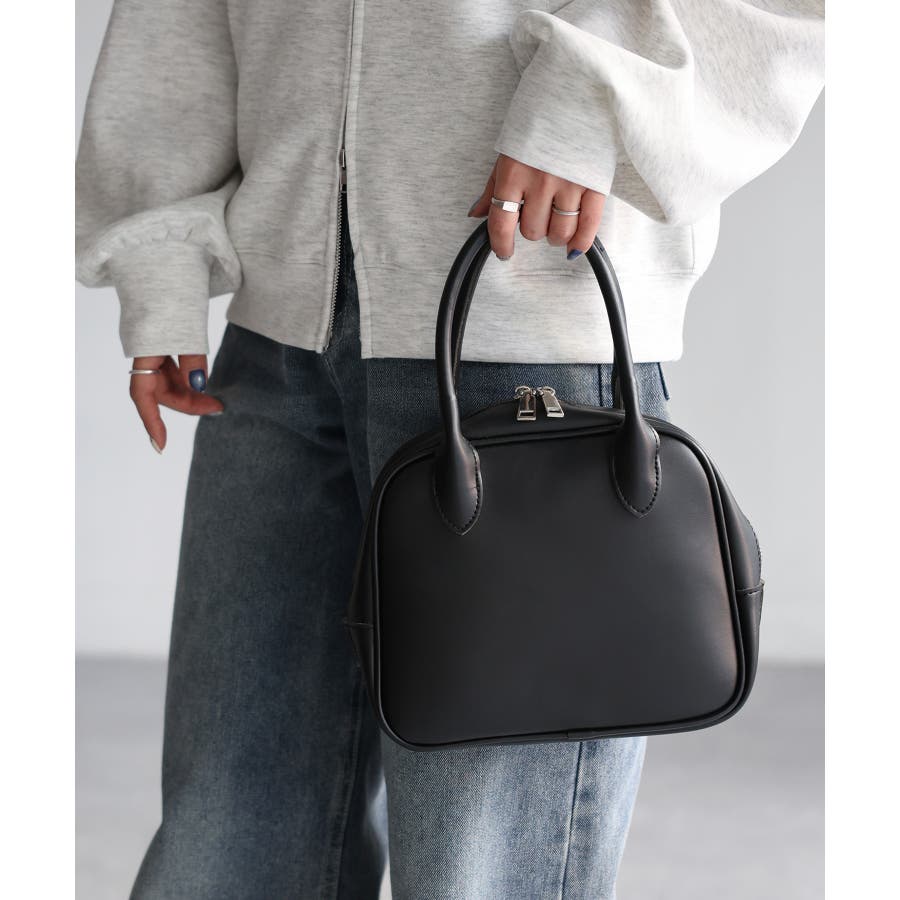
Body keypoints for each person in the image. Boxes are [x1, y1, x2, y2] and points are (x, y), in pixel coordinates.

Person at [76, 1, 825, 897]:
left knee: (477, 867)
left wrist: (594, 95)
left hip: (524, 334)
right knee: (225, 838)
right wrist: (159, 252)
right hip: (277, 331)